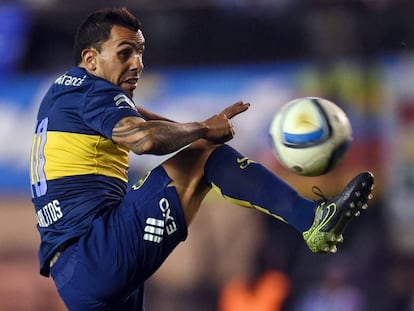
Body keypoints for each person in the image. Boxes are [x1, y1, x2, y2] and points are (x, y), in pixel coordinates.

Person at [29, 7, 374, 311]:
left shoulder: (64, 91)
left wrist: (202, 128)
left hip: (72, 275)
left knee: (202, 147)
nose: (137, 63)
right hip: (97, 253)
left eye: (140, 52)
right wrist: (202, 132)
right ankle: (312, 221)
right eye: (124, 53)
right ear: (91, 59)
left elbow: (143, 121)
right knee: (208, 157)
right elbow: (144, 138)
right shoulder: (95, 92)